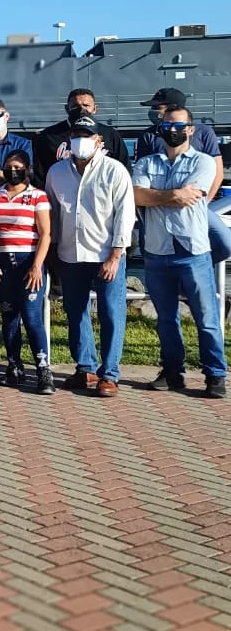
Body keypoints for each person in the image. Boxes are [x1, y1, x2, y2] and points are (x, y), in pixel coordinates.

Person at [133, 106, 226, 399]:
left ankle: (215, 374)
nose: (172, 131)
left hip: (192, 251)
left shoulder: (204, 162)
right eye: (166, 126)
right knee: (166, 319)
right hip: (157, 250)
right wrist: (173, 194)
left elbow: (193, 195)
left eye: (178, 126)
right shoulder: (146, 162)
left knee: (206, 317)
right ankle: (173, 372)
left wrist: (154, 196)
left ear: (191, 130)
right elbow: (136, 195)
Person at [45, 114, 135, 399]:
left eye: (87, 135)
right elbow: (52, 213)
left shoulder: (114, 170)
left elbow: (125, 215)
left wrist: (116, 255)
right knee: (75, 312)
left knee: (111, 313)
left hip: (106, 253)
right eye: (76, 135)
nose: (80, 140)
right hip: (70, 254)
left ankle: (110, 373)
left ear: (99, 140)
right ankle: (85, 367)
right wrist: (51, 251)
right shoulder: (56, 172)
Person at [135, 88, 230, 262]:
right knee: (148, 248)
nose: (153, 111)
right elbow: (140, 182)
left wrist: (203, 202)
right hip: (156, 210)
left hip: (194, 205)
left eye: (158, 107)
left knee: (225, 244)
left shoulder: (204, 132)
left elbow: (217, 171)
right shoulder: (149, 136)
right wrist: (172, 197)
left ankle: (198, 267)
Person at [0, 150, 53, 393]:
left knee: (32, 316)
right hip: (2, 263)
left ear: (27, 170)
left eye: (18, 167)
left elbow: (45, 234)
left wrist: (37, 265)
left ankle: (43, 369)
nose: (13, 171)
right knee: (9, 316)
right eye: (9, 166)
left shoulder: (38, 196)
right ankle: (14, 366)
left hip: (29, 262)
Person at [33, 88, 131, 186]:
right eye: (75, 106)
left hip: (101, 189)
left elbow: (124, 168)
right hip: (62, 190)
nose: (81, 109)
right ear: (67, 109)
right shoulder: (48, 136)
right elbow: (40, 176)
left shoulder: (110, 134)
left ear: (95, 108)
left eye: (86, 105)